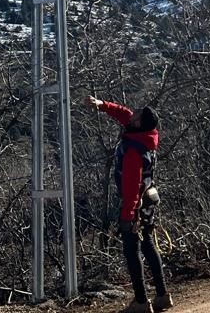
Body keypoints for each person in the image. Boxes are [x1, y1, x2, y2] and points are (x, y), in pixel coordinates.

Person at [86, 95, 173, 313]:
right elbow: (124, 114)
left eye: (136, 115)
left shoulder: (133, 150)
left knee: (132, 250)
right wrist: (103, 105)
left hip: (135, 204)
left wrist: (129, 215)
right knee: (148, 245)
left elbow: (132, 186)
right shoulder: (146, 136)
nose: (131, 114)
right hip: (148, 200)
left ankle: (142, 302)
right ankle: (162, 296)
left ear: (138, 123)